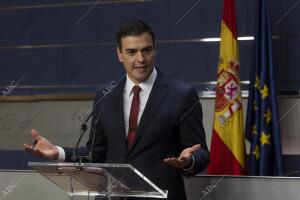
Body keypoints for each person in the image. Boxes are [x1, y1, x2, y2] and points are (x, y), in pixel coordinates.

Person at [24, 19, 210, 200]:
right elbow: (96, 154)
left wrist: (189, 161)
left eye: (147, 50)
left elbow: (201, 154)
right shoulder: (105, 94)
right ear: (119, 54)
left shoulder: (182, 95)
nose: (141, 59)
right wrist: (58, 152)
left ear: (155, 50)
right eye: (132, 52)